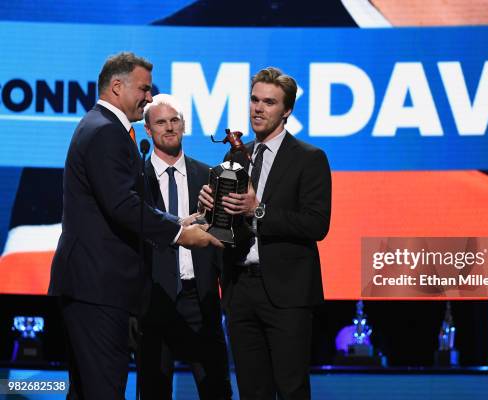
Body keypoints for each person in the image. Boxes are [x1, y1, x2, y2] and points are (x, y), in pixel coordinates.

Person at [48, 52, 222, 400]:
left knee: (88, 390)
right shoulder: (105, 132)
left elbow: (122, 203)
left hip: (91, 288)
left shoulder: (99, 126)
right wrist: (179, 234)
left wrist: (177, 220)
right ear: (116, 86)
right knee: (103, 390)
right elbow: (122, 205)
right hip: (97, 288)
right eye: (144, 89)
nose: (148, 97)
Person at [200, 67, 332, 399]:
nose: (258, 108)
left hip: (287, 294)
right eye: (255, 99)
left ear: (286, 110)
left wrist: (257, 210)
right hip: (240, 289)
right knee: (251, 390)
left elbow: (316, 224)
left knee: (290, 389)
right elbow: (226, 223)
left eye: (269, 102)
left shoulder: (309, 158)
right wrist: (207, 208)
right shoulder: (236, 154)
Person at [140, 94, 232, 399]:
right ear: (147, 130)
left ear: (184, 125)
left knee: (216, 390)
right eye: (160, 122)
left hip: (200, 299)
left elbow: (224, 240)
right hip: (153, 299)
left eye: (175, 120)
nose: (169, 127)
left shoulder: (210, 177)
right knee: (154, 390)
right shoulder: (134, 180)